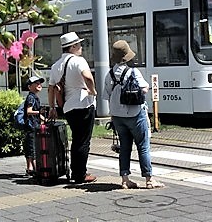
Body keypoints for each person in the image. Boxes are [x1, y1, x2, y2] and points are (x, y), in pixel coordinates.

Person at [103, 40, 164, 189]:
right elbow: (144, 88)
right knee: (143, 146)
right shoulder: (133, 71)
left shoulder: (109, 74)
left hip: (117, 116)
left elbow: (106, 95)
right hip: (135, 114)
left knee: (124, 147)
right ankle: (149, 179)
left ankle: (125, 180)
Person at [48, 32, 97, 184]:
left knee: (76, 139)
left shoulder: (56, 65)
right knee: (83, 141)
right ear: (73, 46)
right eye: (79, 45)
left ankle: (76, 171)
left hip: (68, 107)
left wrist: (52, 107)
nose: (81, 47)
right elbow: (88, 77)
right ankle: (80, 174)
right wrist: (92, 91)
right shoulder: (78, 61)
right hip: (83, 104)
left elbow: (50, 88)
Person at [23, 76, 45, 176]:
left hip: (32, 125)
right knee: (33, 148)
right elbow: (29, 111)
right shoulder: (31, 97)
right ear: (29, 87)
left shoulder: (34, 97)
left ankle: (30, 168)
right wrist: (39, 112)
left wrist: (44, 119)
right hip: (31, 126)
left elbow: (37, 114)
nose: (39, 85)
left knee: (30, 147)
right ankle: (36, 169)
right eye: (36, 83)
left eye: (39, 83)